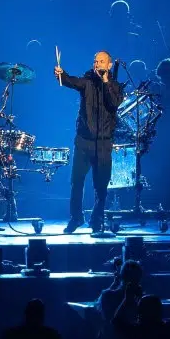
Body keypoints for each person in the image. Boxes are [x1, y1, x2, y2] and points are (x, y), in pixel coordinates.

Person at [54, 48, 125, 233]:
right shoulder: (87, 82)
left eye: (101, 61)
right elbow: (71, 82)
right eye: (95, 61)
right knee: (77, 181)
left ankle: (97, 219)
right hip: (84, 141)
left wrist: (106, 82)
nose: (97, 64)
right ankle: (76, 218)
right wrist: (62, 75)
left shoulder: (116, 86)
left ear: (109, 65)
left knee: (101, 185)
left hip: (103, 143)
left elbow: (115, 104)